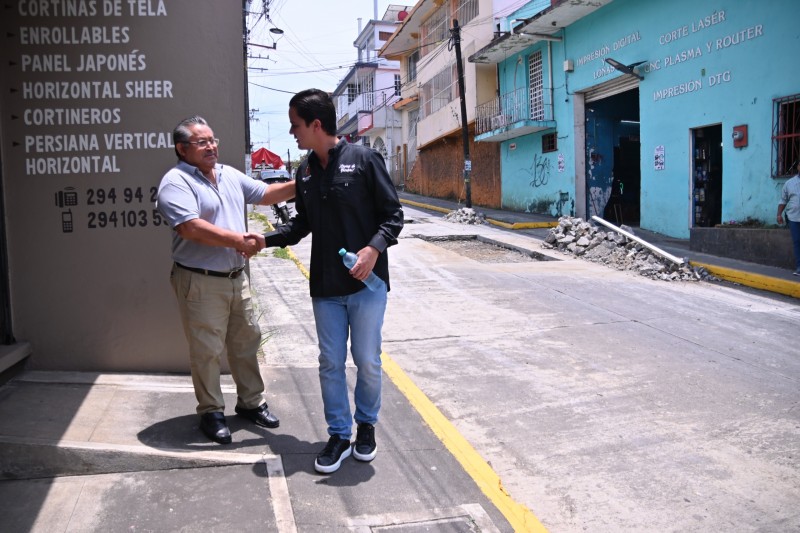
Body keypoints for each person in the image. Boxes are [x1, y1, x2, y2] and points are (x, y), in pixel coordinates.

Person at [260, 89, 404, 474]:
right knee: (330, 363)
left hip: (366, 285)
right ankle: (339, 434)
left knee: (367, 360)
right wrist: (263, 240)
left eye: (295, 125)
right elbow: (300, 225)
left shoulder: (364, 159)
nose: (292, 132)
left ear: (315, 125)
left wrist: (372, 250)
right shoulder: (305, 171)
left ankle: (366, 426)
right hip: (325, 286)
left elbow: (393, 216)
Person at [156, 115, 295, 444]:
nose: (211, 147)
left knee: (246, 341)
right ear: (182, 149)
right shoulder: (175, 182)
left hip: (236, 277)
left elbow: (266, 194)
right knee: (206, 350)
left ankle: (251, 402)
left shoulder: (229, 174)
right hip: (200, 280)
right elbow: (189, 227)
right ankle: (211, 411)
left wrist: (304, 181)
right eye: (201, 142)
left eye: (212, 140)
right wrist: (238, 241)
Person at [777, 161, 800, 276]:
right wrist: (779, 214)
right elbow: (783, 200)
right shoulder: (789, 183)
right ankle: (799, 267)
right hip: (794, 218)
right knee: (797, 241)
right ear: (798, 166)